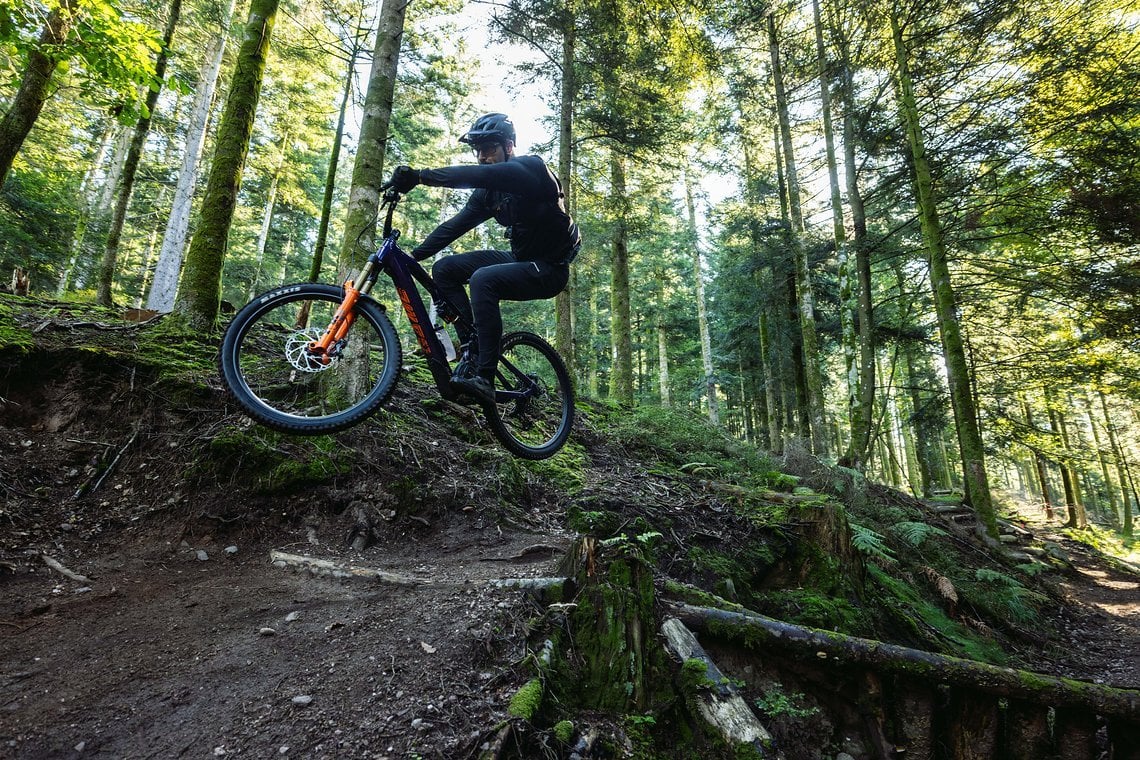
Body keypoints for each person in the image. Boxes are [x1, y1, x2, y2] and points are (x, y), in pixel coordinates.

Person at [387, 113, 581, 404]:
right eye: (477, 150)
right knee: (445, 269)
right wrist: (411, 256)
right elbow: (454, 226)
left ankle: (484, 377)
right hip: (520, 259)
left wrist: (420, 176)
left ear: (509, 146)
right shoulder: (488, 195)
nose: (481, 157)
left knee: (483, 279)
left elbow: (477, 175)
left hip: (550, 269)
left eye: (489, 148)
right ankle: (470, 347)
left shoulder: (530, 169)